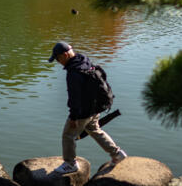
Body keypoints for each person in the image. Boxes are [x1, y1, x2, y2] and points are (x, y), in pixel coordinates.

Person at [48, 41, 127, 173]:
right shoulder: (83, 60)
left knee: (68, 135)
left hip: (83, 112)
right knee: (95, 130)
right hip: (95, 107)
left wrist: (74, 117)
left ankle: (70, 163)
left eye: (58, 58)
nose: (57, 61)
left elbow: (75, 98)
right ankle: (117, 154)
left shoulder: (73, 73)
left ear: (66, 54)